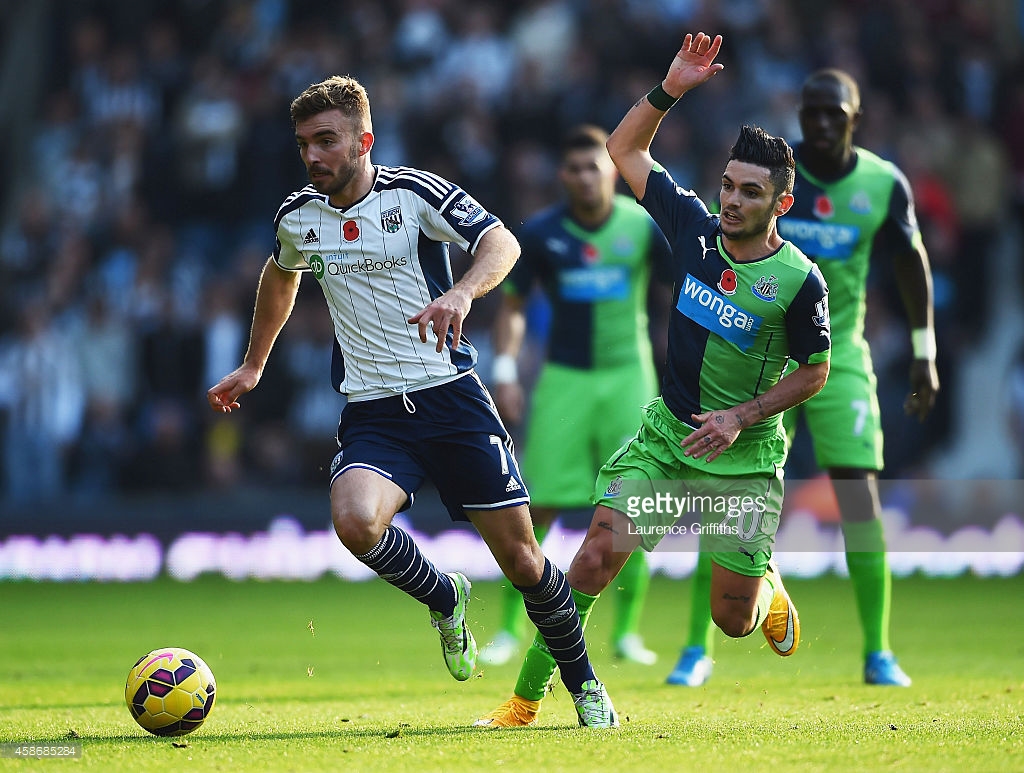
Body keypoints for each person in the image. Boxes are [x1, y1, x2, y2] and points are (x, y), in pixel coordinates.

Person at [206, 75, 617, 728]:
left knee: (523, 562)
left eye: (326, 141)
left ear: (364, 140)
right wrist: (254, 364)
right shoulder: (297, 216)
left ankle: (584, 682)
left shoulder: (414, 193)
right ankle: (444, 595)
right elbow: (280, 273)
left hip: (452, 400)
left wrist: (463, 293)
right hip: (373, 411)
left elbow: (501, 241)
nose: (312, 156)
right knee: (355, 522)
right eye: (304, 144)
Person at [474, 32, 831, 729]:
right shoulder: (693, 228)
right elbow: (624, 152)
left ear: (779, 206)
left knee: (732, 619)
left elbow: (817, 371)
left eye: (749, 192)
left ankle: (764, 581)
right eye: (727, 184)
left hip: (746, 453)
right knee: (593, 556)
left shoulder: (798, 282)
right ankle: (525, 699)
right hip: (667, 437)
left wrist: (742, 414)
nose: (730, 200)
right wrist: (670, 89)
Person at [667, 68, 939, 688]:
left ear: (855, 119)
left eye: (833, 113)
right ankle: (694, 648)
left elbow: (910, 261)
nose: (819, 123)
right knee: (718, 495)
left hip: (834, 360)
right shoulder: (773, 179)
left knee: (857, 498)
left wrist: (924, 349)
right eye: (810, 111)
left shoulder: (882, 184)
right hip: (755, 357)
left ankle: (878, 651)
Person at [479, 124, 673, 668]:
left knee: (634, 506)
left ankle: (628, 634)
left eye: (595, 166)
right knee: (534, 506)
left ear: (612, 170)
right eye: (575, 168)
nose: (586, 177)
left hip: (629, 376)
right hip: (564, 380)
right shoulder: (542, 233)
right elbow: (512, 308)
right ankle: (510, 630)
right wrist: (506, 372)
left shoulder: (643, 228)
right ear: (562, 176)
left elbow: (681, 294)